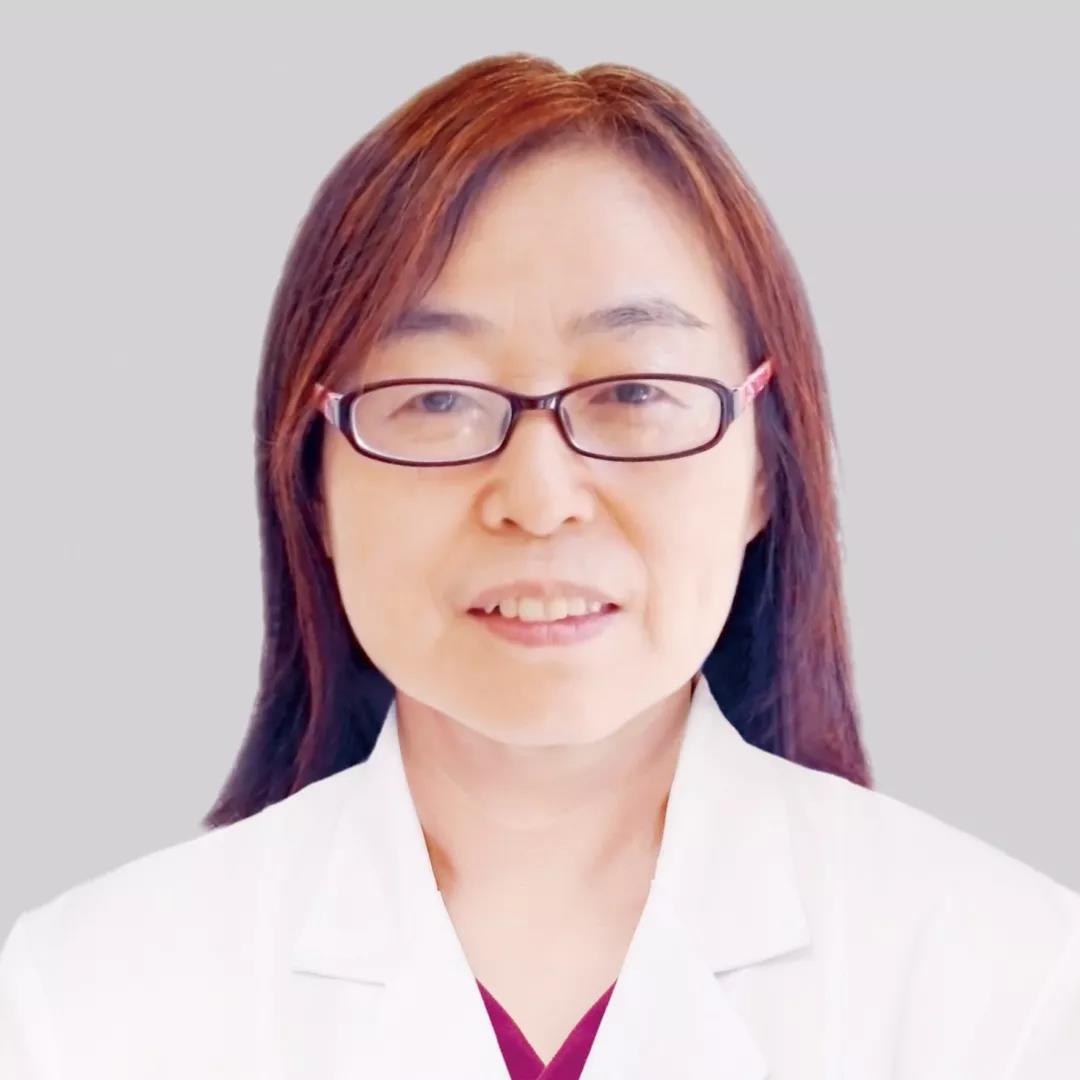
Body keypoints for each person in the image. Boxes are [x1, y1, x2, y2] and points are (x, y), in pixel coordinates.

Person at [1, 51, 1077, 1080]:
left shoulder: (1011, 988)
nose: (539, 495)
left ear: (764, 467)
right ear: (312, 484)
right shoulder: (83, 1003)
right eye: (435, 397)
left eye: (635, 391)